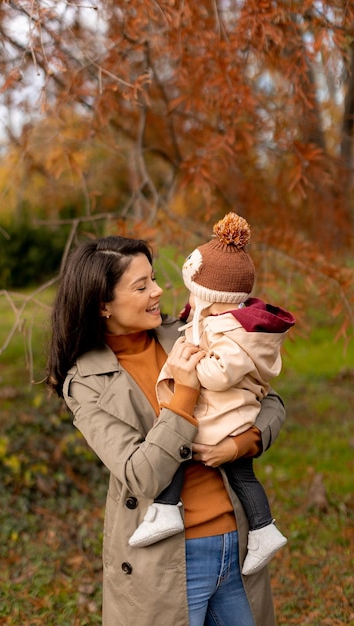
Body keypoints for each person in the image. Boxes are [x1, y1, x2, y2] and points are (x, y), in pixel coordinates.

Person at [46, 234, 286, 626]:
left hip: (239, 541)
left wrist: (245, 442)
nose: (159, 291)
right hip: (166, 562)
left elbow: (269, 402)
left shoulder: (187, 332)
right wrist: (186, 394)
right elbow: (140, 474)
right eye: (141, 286)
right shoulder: (86, 381)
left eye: (153, 278)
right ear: (102, 304)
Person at [129, 213, 295, 577]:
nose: (186, 298)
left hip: (227, 418)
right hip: (225, 414)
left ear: (214, 298)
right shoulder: (218, 323)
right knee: (225, 468)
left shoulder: (235, 332)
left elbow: (220, 375)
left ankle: (257, 527)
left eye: (195, 293)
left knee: (188, 452)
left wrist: (193, 367)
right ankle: (171, 509)